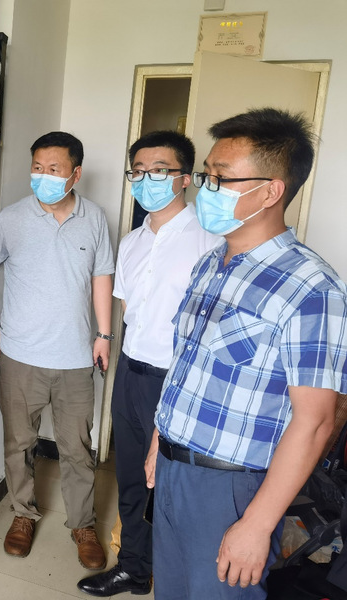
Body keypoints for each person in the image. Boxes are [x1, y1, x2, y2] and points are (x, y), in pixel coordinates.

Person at [143, 108, 347, 599]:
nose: (205, 189)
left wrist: (257, 524)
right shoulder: (211, 263)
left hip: (232, 491)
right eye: (206, 175)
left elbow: (316, 421)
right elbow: (188, 366)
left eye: (221, 178)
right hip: (173, 468)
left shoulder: (312, 288)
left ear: (271, 191)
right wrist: (159, 440)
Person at [78, 131, 221, 596]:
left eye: (158, 171)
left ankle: (179, 579)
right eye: (137, 172)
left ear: (185, 178)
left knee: (173, 484)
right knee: (131, 479)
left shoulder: (212, 241)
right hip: (131, 371)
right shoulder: (132, 241)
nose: (145, 180)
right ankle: (135, 570)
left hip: (179, 379)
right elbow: (128, 311)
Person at [0, 131, 115, 569]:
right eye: (37, 168)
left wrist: (104, 334)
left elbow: (101, 276)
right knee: (18, 443)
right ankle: (23, 515)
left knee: (77, 448)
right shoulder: (11, 219)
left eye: (54, 169)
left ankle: (82, 525)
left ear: (75, 174)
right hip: (20, 355)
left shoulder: (94, 218)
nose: (43, 176)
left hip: (75, 358)